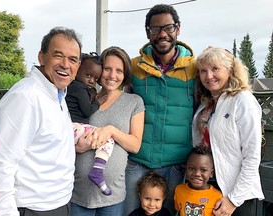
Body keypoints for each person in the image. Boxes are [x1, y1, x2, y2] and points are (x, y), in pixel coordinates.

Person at [0, 27, 82, 215]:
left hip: (58, 202)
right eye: (58, 55)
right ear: (41, 57)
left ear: (78, 65)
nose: (65, 64)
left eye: (72, 59)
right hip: (33, 208)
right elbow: (2, 162)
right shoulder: (26, 97)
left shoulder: (56, 93)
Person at [124, 4, 197, 215]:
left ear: (178, 29)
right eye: (155, 29)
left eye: (168, 27)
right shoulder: (134, 66)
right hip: (138, 160)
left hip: (176, 165)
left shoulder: (195, 67)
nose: (162, 34)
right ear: (148, 32)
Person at [71, 46, 145, 216]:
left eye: (119, 71)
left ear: (125, 74)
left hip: (112, 196)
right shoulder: (86, 98)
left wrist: (110, 130)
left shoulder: (134, 102)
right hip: (78, 193)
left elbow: (135, 145)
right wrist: (75, 146)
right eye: (108, 69)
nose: (113, 75)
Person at [192, 47, 264, 216]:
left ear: (230, 70)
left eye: (215, 69)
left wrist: (233, 199)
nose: (209, 76)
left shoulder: (243, 101)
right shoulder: (206, 102)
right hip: (210, 187)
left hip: (236, 194)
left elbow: (252, 156)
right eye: (203, 71)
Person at [65, 53, 113, 195]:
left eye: (96, 78)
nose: (92, 81)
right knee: (106, 137)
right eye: (88, 75)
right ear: (78, 69)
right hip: (74, 127)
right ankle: (98, 170)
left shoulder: (73, 86)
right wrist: (98, 102)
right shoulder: (79, 88)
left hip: (70, 129)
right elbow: (87, 111)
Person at [174, 146, 222, 216]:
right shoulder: (179, 190)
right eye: (191, 168)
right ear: (185, 169)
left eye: (203, 170)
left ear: (211, 173)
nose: (197, 174)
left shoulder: (218, 196)